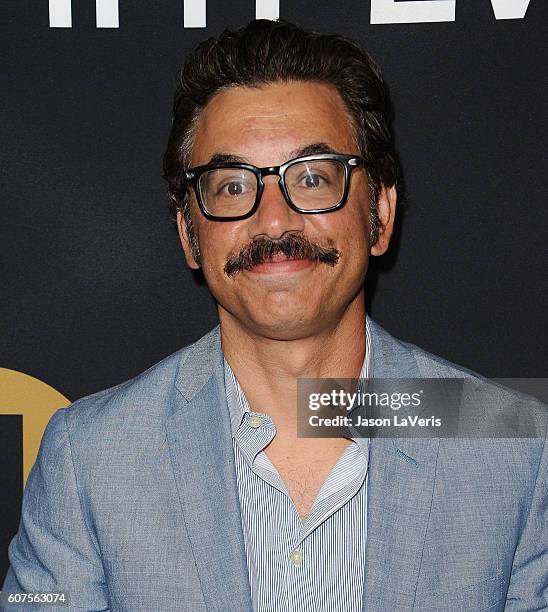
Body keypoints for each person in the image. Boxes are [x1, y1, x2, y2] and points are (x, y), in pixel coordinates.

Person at [2, 19, 547, 612]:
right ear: (188, 232)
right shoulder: (90, 456)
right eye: (232, 186)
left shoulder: (513, 447)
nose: (275, 222)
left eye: (313, 178)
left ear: (381, 214)